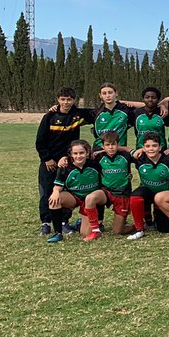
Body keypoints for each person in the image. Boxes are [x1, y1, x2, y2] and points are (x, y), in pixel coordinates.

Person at [36, 86, 94, 235]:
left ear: (74, 100)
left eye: (69, 99)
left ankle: (63, 222)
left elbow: (99, 112)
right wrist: (47, 159)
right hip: (50, 163)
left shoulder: (78, 115)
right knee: (47, 192)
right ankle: (46, 223)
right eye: (63, 99)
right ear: (58, 99)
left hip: (68, 163)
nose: (66, 102)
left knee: (67, 191)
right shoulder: (50, 116)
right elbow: (40, 141)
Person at [46, 139, 105, 243]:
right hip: (75, 197)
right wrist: (55, 192)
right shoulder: (65, 167)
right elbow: (58, 185)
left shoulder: (95, 164)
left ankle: (81, 224)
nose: (78, 156)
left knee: (85, 233)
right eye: (75, 153)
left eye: (81, 153)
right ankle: (58, 233)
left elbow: (110, 150)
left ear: (87, 152)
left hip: (91, 200)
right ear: (71, 154)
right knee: (54, 200)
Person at [127, 131, 169, 239]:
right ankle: (139, 229)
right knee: (135, 197)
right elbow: (122, 150)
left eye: (154, 146)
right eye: (148, 146)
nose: (151, 149)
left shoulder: (168, 159)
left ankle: (156, 218)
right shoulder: (139, 158)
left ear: (160, 147)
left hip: (163, 196)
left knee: (165, 229)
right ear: (143, 148)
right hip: (147, 191)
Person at [93, 130, 135, 236]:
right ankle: (97, 223)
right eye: (107, 145)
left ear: (118, 144)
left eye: (113, 144)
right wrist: (64, 159)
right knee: (93, 197)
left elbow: (139, 155)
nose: (111, 147)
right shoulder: (98, 157)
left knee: (117, 231)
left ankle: (137, 225)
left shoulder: (125, 156)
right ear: (103, 146)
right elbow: (79, 158)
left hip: (122, 193)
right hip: (106, 191)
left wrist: (125, 149)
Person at [90, 82, 143, 149]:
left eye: (110, 92)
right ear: (100, 95)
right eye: (104, 93)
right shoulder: (95, 112)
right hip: (99, 149)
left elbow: (147, 105)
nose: (107, 96)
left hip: (120, 149)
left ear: (116, 93)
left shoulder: (125, 110)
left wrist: (127, 102)